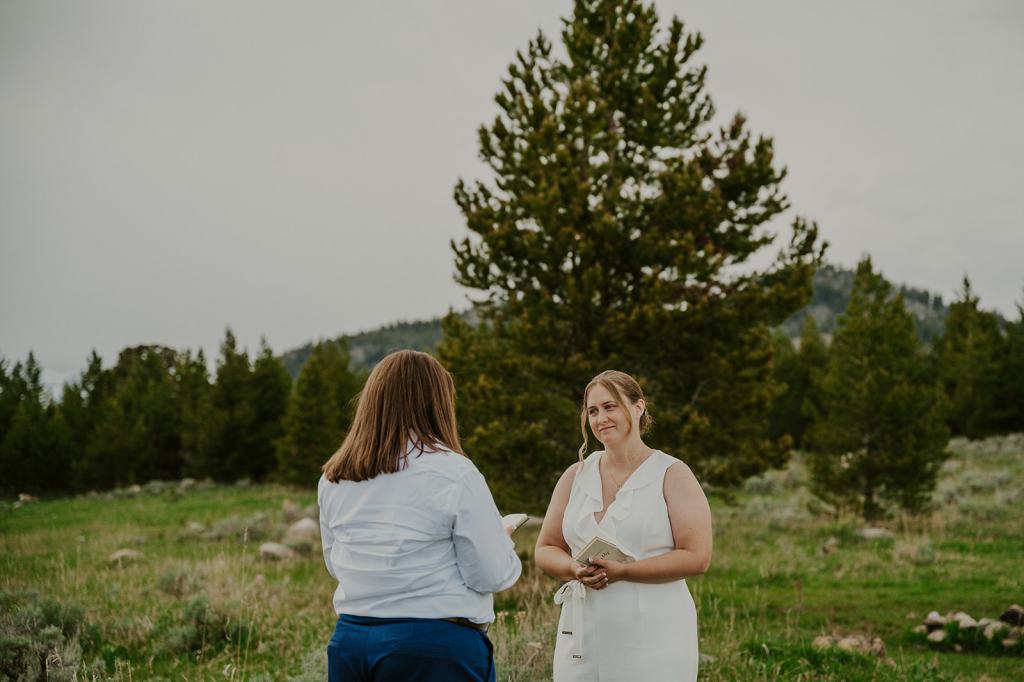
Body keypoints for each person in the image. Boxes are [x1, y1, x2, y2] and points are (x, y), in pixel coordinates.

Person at [317, 350, 522, 682]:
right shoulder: (454, 472)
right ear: (437, 404)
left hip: (351, 643)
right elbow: (491, 575)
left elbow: (335, 564)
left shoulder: (335, 477)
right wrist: (501, 540)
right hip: (433, 648)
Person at [535, 370, 713, 681]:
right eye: (593, 411)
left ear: (638, 407)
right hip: (582, 635)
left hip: (653, 634)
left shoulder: (671, 473)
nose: (600, 418)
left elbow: (698, 557)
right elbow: (546, 547)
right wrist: (573, 569)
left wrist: (624, 571)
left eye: (610, 406)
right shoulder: (576, 475)